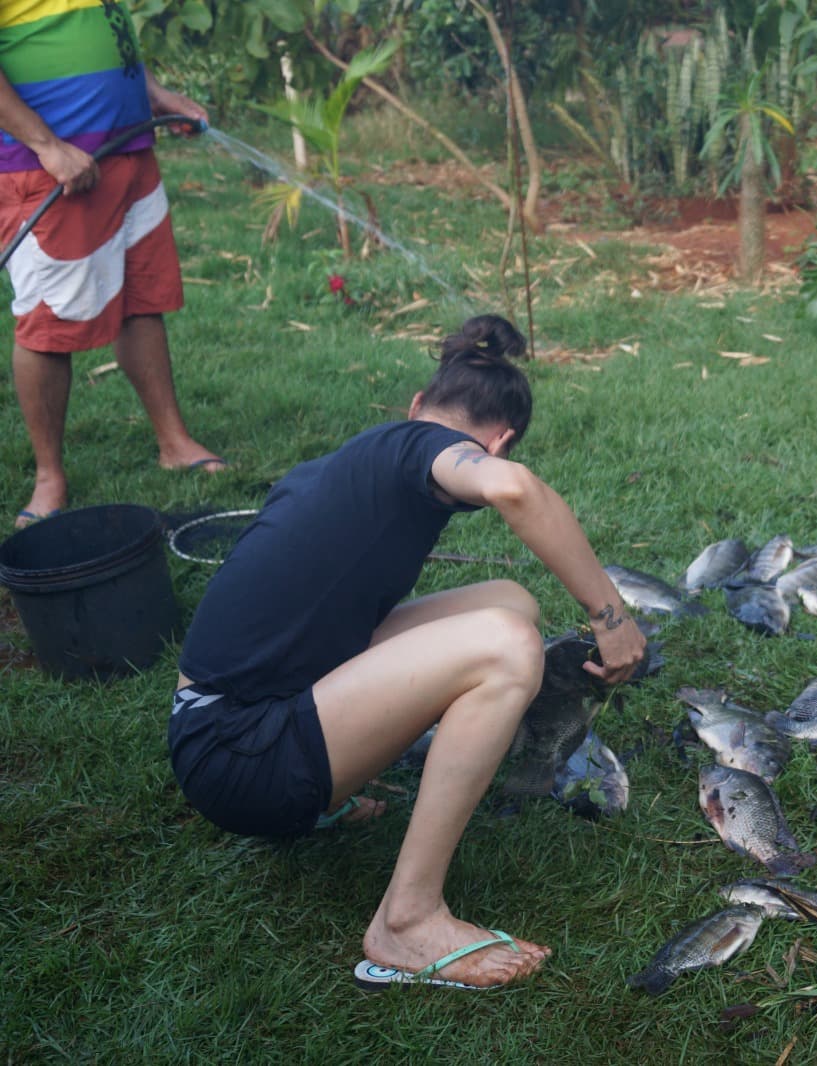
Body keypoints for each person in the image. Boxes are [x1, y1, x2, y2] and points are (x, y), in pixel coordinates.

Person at [168, 315, 647, 990]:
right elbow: (515, 489)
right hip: (239, 757)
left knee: (510, 602)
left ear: (418, 402)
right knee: (507, 647)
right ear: (498, 442)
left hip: (218, 724)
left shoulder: (337, 466)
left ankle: (362, 781)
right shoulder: (422, 450)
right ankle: (407, 920)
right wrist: (612, 617)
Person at [0, 0, 222, 529]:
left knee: (141, 302)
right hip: (50, 169)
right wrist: (47, 145)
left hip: (126, 152)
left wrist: (157, 96)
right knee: (48, 324)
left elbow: (107, 32)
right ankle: (49, 475)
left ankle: (174, 442)